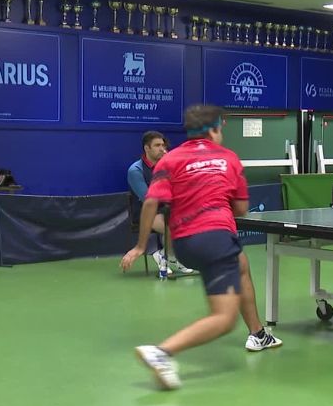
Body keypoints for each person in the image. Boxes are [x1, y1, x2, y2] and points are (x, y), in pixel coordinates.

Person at [121, 105, 282, 390]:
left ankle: (258, 333)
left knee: (241, 265)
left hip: (183, 244)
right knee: (223, 318)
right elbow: (241, 209)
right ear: (214, 130)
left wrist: (140, 246)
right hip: (216, 239)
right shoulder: (229, 158)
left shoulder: (170, 160)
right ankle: (162, 352)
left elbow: (150, 203)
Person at [127, 131, 194, 277]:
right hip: (146, 213)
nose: (162, 149)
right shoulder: (135, 170)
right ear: (147, 148)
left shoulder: (167, 166)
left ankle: (165, 255)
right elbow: (148, 199)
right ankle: (168, 257)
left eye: (163, 145)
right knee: (172, 227)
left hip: (167, 209)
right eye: (157, 145)